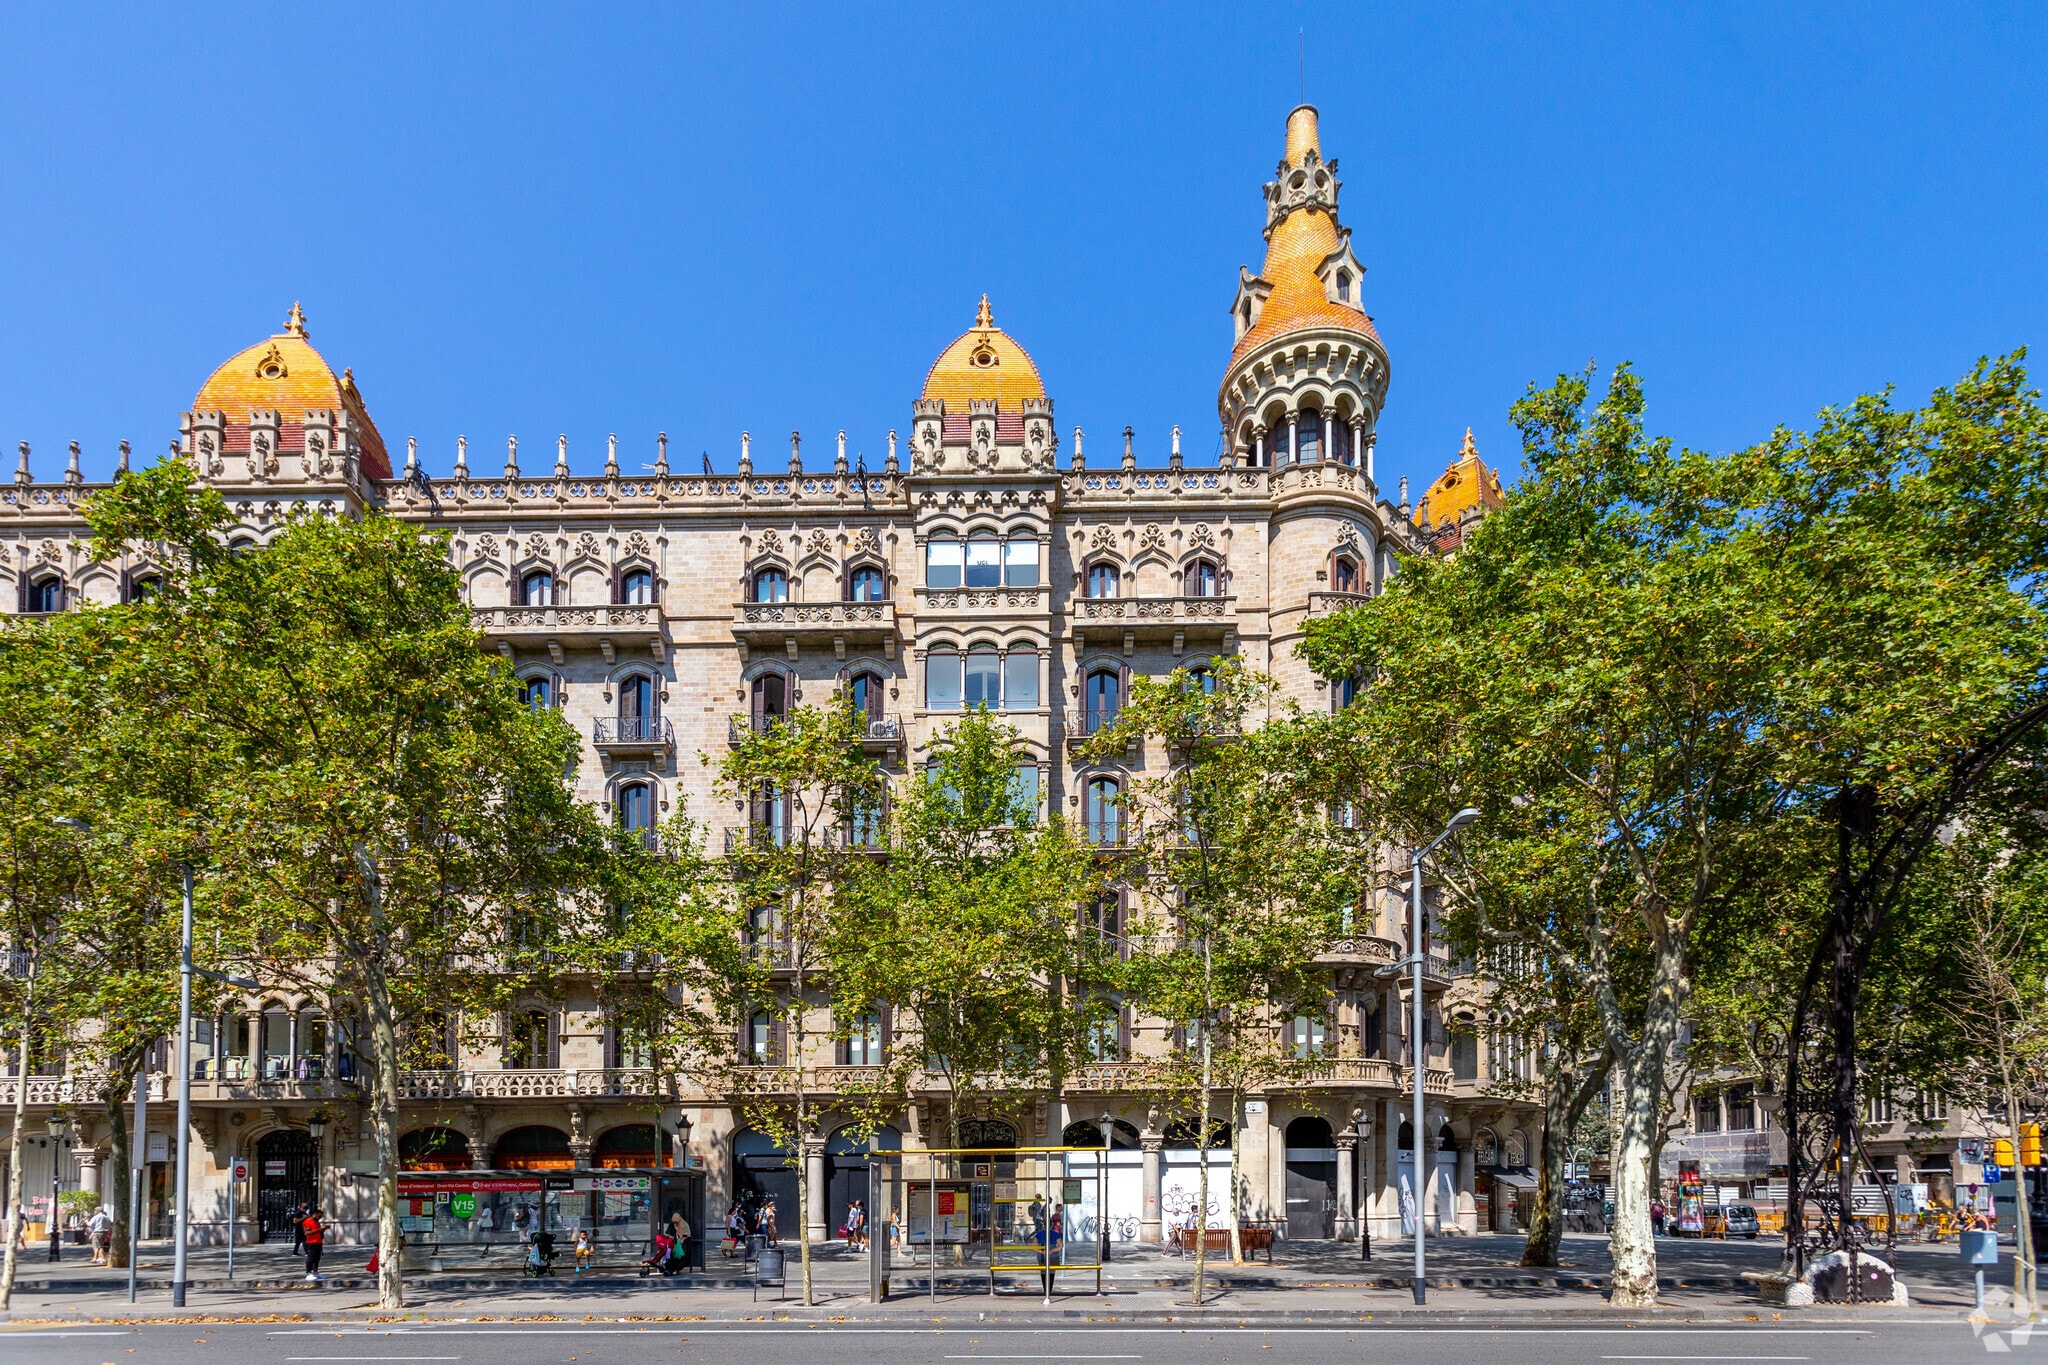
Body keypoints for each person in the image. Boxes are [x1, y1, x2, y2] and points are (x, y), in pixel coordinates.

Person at [301, 1207, 325, 1280]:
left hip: (318, 1243)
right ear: (314, 1214)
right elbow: (306, 1233)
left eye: (321, 1217)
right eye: (319, 1216)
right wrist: (320, 1230)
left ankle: (315, 1272)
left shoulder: (317, 1222)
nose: (320, 1218)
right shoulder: (307, 1221)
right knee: (311, 1258)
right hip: (311, 1242)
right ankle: (308, 1273)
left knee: (317, 1259)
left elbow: (319, 1233)